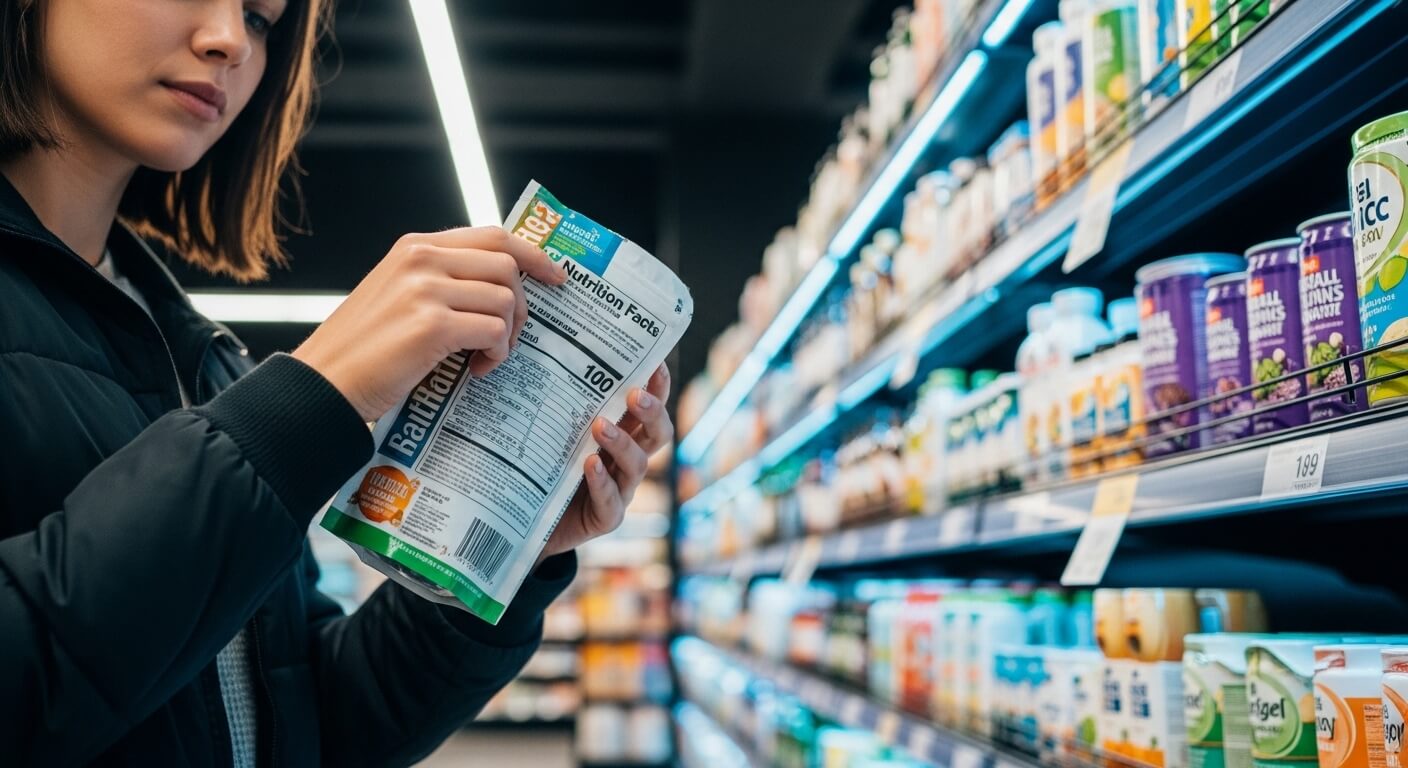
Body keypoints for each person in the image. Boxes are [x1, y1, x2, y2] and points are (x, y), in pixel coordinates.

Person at [0, 0, 675, 764]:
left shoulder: (196, 353)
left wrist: (507, 556)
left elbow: (310, 718)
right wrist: (305, 403)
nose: (228, 41)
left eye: (261, 19)